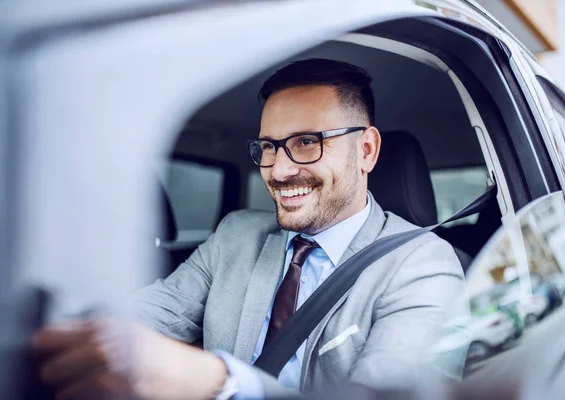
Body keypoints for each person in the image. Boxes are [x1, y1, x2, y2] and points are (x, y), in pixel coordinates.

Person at [35, 59, 467, 400]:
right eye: (268, 147)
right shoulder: (237, 234)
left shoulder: (422, 264)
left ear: (366, 150)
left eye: (306, 143)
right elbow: (150, 315)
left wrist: (219, 381)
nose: (278, 170)